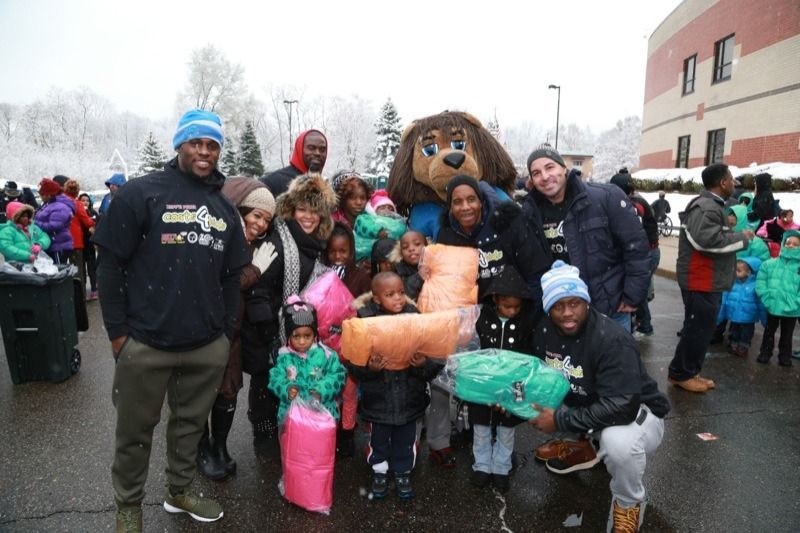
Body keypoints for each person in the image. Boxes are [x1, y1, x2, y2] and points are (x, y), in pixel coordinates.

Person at [93, 109, 250, 532]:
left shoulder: (223, 207)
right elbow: (109, 266)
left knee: (188, 429)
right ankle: (128, 506)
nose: (204, 151)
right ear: (180, 144)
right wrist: (118, 336)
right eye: (196, 142)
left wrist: (224, 333)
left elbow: (233, 275)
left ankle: (179, 491)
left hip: (204, 346)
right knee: (134, 433)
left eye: (212, 145)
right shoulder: (142, 193)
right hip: (145, 343)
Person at [529, 260, 669, 533]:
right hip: (591, 403)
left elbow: (622, 407)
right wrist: (509, 402)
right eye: (558, 305)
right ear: (548, 309)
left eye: (575, 303)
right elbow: (537, 377)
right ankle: (587, 447)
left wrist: (559, 420)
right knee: (541, 394)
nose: (567, 313)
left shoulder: (611, 339)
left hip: (638, 415)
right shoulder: (544, 330)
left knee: (618, 444)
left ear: (586, 302)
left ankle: (628, 504)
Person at [242, 172, 337, 442]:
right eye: (302, 209)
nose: (307, 216)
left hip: (294, 329)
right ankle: (264, 432)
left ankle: (290, 430)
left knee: (289, 382)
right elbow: (257, 293)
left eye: (314, 211)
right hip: (268, 330)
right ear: (291, 210)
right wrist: (272, 336)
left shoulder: (315, 244)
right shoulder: (278, 243)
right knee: (266, 382)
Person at [196, 176, 278, 480]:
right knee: (202, 393)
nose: (260, 224)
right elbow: (221, 285)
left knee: (227, 392)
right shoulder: (215, 238)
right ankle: (201, 447)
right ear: (238, 209)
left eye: (266, 220)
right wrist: (254, 270)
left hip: (232, 334)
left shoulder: (251, 243)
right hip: (206, 332)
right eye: (256, 215)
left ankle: (219, 445)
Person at [522, 145, 649, 334]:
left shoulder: (605, 197)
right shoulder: (531, 212)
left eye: (550, 167)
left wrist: (632, 296)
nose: (545, 176)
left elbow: (636, 248)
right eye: (536, 173)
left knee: (615, 362)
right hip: (561, 313)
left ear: (564, 168)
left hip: (608, 308)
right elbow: (532, 264)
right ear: (531, 180)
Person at [347, 272, 441, 500]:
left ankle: (402, 472)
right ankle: (379, 471)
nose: (398, 298)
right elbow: (353, 366)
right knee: (378, 440)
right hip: (379, 402)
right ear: (377, 299)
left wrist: (421, 364)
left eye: (401, 292)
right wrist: (370, 369)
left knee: (406, 441)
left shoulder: (415, 317)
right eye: (390, 294)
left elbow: (432, 363)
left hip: (410, 399)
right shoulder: (365, 321)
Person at [668, 163, 753, 393]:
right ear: (723, 182)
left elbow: (713, 237)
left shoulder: (712, 205)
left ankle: (687, 371)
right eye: (731, 178)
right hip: (700, 279)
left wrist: (736, 235)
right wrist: (743, 238)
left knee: (700, 329)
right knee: (697, 329)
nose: (734, 183)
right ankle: (681, 373)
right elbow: (706, 242)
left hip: (707, 280)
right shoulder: (706, 207)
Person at [469, 266, 539, 493]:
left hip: (515, 383)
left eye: (517, 307)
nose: (512, 311)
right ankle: (481, 465)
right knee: (480, 425)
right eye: (507, 306)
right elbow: (472, 347)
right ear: (495, 299)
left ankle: (501, 466)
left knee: (507, 427)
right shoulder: (481, 318)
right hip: (485, 381)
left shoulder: (525, 323)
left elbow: (530, 354)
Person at [437, 174, 552, 303]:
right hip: (470, 314)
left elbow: (536, 274)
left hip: (514, 312)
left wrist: (529, 317)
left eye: (471, 199)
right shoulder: (446, 236)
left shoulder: (509, 224)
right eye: (457, 202)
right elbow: (444, 285)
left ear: (480, 202)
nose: (465, 207)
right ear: (450, 207)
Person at [324, 222, 371, 456]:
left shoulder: (361, 276)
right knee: (330, 391)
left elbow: (365, 307)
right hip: (327, 346)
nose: (337, 256)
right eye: (332, 251)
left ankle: (348, 431)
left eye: (343, 251)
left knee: (350, 393)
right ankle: (330, 430)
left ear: (351, 251)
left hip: (351, 345)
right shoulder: (323, 273)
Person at [268, 298, 346, 423]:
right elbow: (275, 379)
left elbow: (338, 375)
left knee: (320, 443)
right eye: (296, 336)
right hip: (293, 419)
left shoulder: (326, 355)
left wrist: (322, 389)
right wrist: (287, 389)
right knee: (295, 442)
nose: (302, 341)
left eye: (307, 336)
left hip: (322, 418)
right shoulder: (284, 357)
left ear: (315, 335)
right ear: (288, 336)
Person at [609, 170, 660, 338]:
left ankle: (645, 325)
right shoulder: (631, 202)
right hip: (646, 252)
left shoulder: (633, 205)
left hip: (647, 253)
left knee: (636, 289)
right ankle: (638, 322)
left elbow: (631, 234)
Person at [756, 230, 800, 367]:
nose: (791, 246)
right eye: (788, 243)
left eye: (796, 244)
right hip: (772, 306)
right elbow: (761, 282)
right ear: (783, 244)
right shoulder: (770, 264)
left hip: (792, 309)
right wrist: (767, 298)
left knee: (787, 335)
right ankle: (765, 353)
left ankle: (785, 356)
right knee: (769, 332)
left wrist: (796, 303)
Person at [716, 257, 765, 358]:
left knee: (746, 334)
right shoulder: (732, 283)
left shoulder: (755, 286)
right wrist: (721, 314)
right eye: (735, 270)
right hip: (733, 315)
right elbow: (724, 300)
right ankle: (733, 345)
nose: (735, 273)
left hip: (748, 318)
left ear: (748, 272)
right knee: (734, 331)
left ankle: (743, 347)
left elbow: (760, 304)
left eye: (739, 271)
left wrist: (764, 319)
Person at [260, 129, 328, 197]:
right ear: (299, 149)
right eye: (311, 148)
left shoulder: (325, 187)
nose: (317, 153)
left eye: (322, 150)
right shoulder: (273, 181)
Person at [63, 179, 96, 291]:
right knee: (78, 270)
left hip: (61, 241)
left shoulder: (61, 201)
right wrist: (96, 220)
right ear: (77, 192)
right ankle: (80, 297)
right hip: (75, 241)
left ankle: (68, 293)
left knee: (64, 269)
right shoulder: (76, 203)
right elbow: (87, 222)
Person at [34, 177, 75, 264]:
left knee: (58, 271)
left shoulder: (60, 207)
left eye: (41, 194)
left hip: (58, 245)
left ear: (49, 194)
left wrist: (35, 223)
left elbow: (54, 226)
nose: (40, 197)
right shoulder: (48, 204)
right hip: (52, 244)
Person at [389, 229, 426, 301]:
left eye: (417, 244)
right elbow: (405, 294)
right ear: (401, 253)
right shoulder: (398, 270)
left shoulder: (436, 263)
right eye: (405, 247)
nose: (411, 249)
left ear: (426, 246)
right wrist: (419, 277)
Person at [78, 193, 99, 300]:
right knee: (81, 269)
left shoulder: (93, 213)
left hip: (90, 245)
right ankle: (83, 291)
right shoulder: (77, 213)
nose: (85, 202)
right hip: (80, 245)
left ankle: (94, 289)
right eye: (83, 200)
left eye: (87, 200)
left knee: (92, 269)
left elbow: (98, 226)